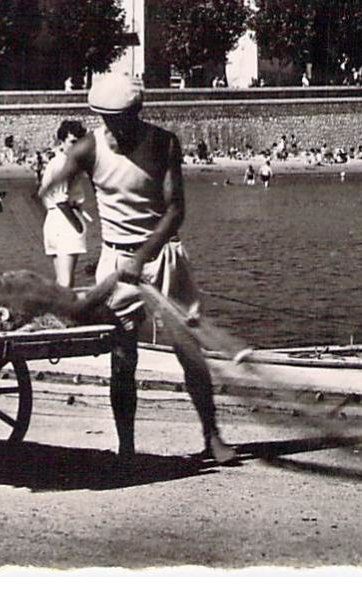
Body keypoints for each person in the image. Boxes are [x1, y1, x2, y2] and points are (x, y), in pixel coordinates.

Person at [41, 73, 235, 464]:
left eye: (122, 118)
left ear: (138, 111)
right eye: (107, 118)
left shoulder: (163, 143)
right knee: (122, 357)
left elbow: (176, 210)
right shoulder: (87, 149)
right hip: (116, 263)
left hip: (163, 257)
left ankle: (211, 437)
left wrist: (143, 255)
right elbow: (46, 191)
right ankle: (126, 447)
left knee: (190, 352)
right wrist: (62, 217)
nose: (115, 127)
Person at [39, 120, 96, 288]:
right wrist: (78, 226)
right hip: (66, 221)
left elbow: (42, 194)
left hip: (53, 220)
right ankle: (68, 314)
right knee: (66, 282)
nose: (76, 145)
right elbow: (61, 200)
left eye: (79, 142)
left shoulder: (54, 163)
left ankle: (59, 313)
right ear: (61, 143)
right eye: (72, 141)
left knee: (61, 282)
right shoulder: (64, 164)